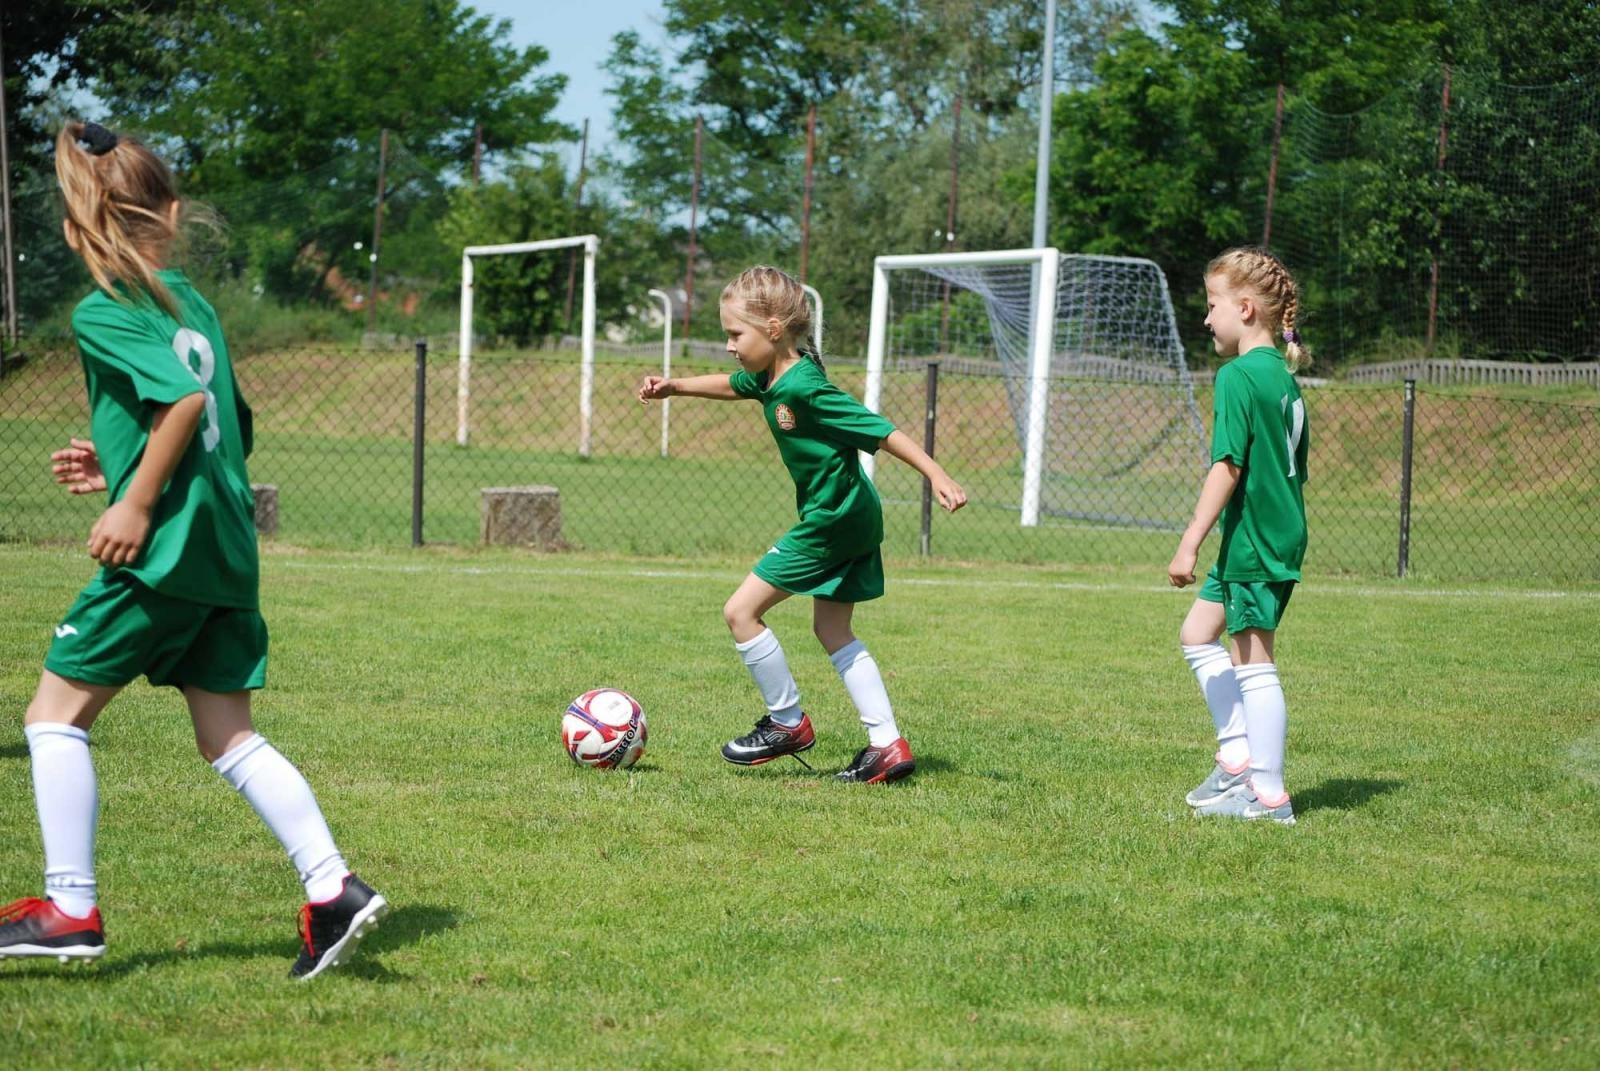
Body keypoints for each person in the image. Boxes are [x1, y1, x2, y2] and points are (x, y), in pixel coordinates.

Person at [0, 122, 385, 979]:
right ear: (171, 215)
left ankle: (69, 907)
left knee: (53, 718)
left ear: (75, 228)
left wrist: (136, 501)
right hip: (225, 551)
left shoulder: (105, 308)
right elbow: (228, 425)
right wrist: (120, 463)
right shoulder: (194, 307)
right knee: (229, 735)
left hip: (162, 558)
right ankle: (332, 888)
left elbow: (180, 404)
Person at [638, 266, 966, 783]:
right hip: (854, 516)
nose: (728, 346)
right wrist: (674, 386)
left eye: (735, 334)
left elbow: (880, 431)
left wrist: (935, 473)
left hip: (832, 520)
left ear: (773, 329)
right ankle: (887, 745)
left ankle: (787, 722)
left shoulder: (806, 387)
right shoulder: (773, 377)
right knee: (832, 629)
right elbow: (733, 385)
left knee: (741, 612)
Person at [1168, 246, 1310, 826]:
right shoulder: (1283, 376)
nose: (1207, 319)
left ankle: (1268, 794)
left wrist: (1190, 541)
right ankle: (1236, 758)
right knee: (1197, 633)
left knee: (1254, 662)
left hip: (1255, 538)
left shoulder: (1238, 376)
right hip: (1268, 534)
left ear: (1245, 308)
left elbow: (1227, 466)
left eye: (1212, 306)